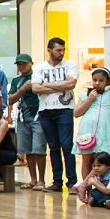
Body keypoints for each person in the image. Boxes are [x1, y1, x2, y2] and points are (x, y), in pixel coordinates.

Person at [32, 37, 79, 192]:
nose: (61, 53)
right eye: (58, 50)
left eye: (63, 50)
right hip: (45, 111)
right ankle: (57, 182)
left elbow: (71, 84)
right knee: (53, 147)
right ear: (49, 50)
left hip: (64, 109)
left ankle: (72, 182)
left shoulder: (70, 65)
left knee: (67, 146)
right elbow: (35, 89)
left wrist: (46, 85)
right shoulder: (40, 67)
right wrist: (60, 86)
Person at [72, 67, 110, 184]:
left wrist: (107, 81)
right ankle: (87, 190)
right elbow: (76, 113)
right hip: (87, 129)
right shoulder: (85, 95)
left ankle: (86, 185)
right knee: (86, 160)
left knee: (103, 159)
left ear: (107, 81)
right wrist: (90, 99)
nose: (97, 83)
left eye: (101, 80)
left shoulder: (109, 94)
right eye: (95, 80)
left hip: (104, 129)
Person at [8, 53, 46, 190]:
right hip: (22, 118)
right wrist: (22, 90)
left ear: (31, 63)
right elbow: (11, 99)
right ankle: (33, 179)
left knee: (39, 150)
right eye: (19, 64)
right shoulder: (16, 80)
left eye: (24, 63)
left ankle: (41, 180)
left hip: (39, 116)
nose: (21, 66)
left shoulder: (38, 77)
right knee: (28, 150)